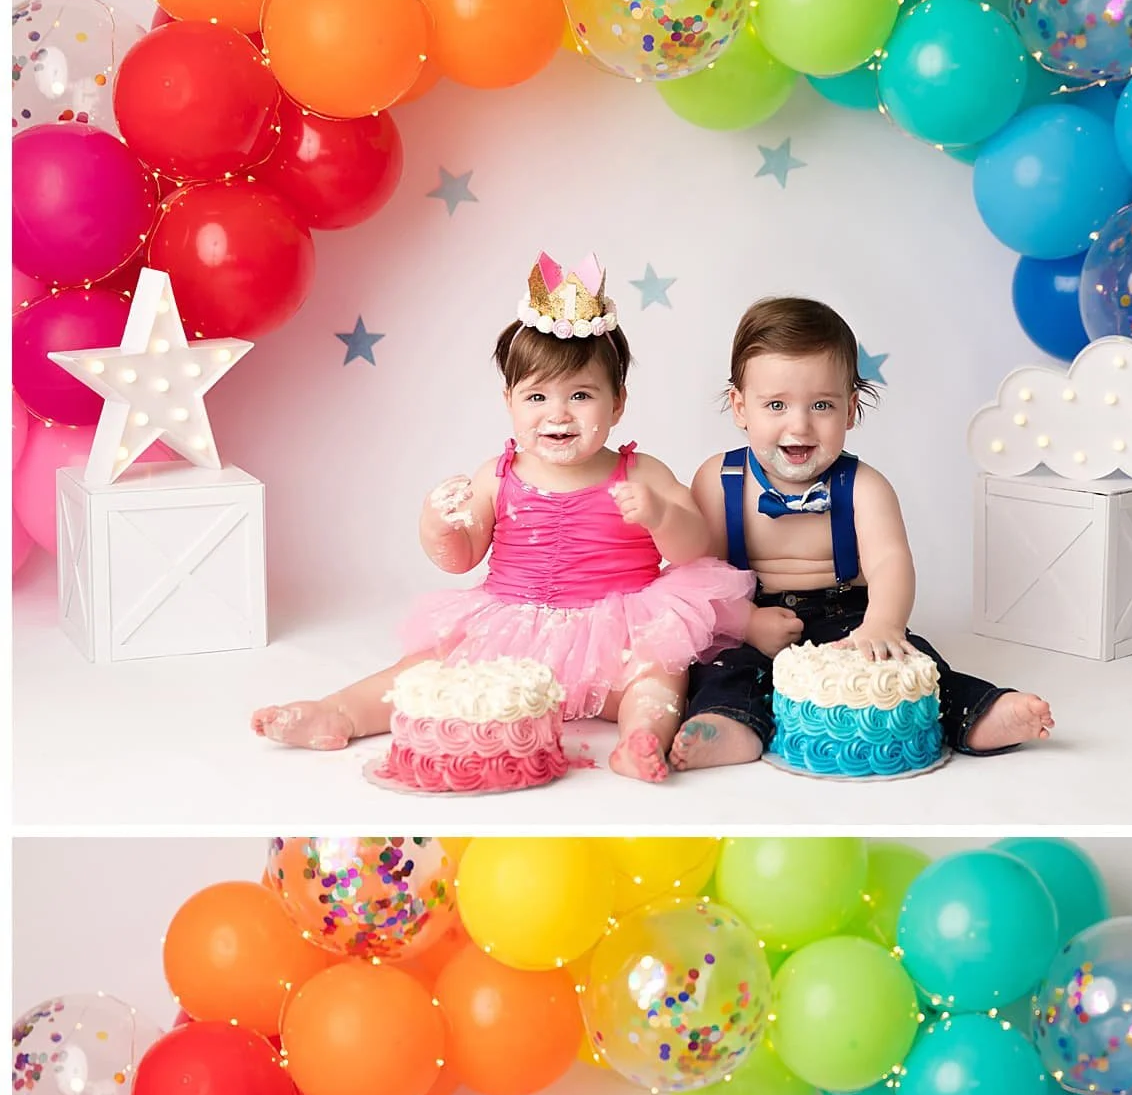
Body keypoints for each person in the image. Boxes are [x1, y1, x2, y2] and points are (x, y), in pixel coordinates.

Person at [253, 254, 779, 783]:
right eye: (536, 396)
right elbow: (461, 558)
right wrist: (439, 525)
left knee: (659, 675)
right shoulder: (497, 475)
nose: (558, 413)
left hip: (618, 630)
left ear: (618, 403)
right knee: (427, 671)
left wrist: (661, 514)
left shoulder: (639, 471)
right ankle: (341, 711)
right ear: (508, 401)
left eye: (580, 395)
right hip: (513, 632)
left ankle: (641, 738)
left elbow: (694, 548)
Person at [670, 297, 1054, 773]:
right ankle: (726, 724)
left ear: (851, 410)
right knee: (725, 670)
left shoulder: (865, 487)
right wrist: (746, 622)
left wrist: (883, 625)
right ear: (739, 407)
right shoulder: (718, 479)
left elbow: (890, 563)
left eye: (821, 405)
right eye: (776, 405)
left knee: (916, 667)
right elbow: (701, 576)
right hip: (749, 613)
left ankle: (979, 712)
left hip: (845, 613)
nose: (800, 424)